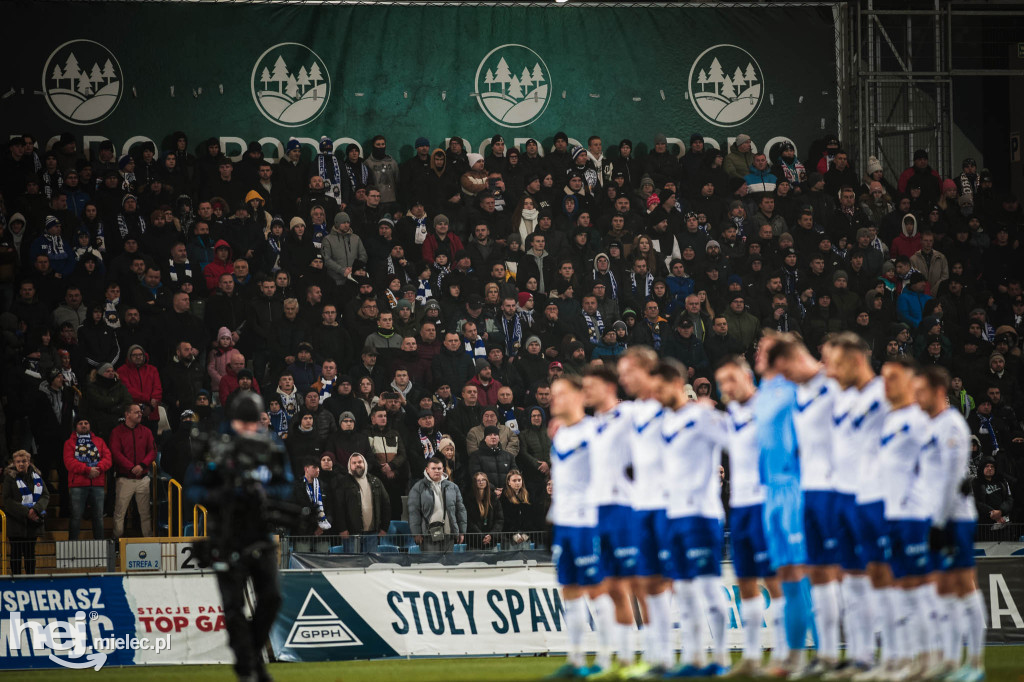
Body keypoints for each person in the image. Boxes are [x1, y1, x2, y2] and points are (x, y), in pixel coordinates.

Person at [186, 393, 292, 682]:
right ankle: (250, 668)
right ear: (232, 421)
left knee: (272, 598)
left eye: (252, 422)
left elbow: (286, 484)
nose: (247, 428)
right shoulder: (218, 447)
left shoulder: (271, 445)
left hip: (260, 532)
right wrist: (218, 495)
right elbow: (192, 490)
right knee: (233, 609)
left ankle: (249, 661)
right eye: (242, 422)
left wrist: (263, 492)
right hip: (226, 534)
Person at [770, 339, 844, 674]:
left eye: (786, 368)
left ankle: (864, 654)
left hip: (834, 491)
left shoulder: (833, 387)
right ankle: (827, 654)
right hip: (805, 493)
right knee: (820, 576)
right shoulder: (800, 395)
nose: (784, 376)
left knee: (849, 575)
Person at [655, 359, 732, 677]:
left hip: (702, 514)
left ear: (675, 384)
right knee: (683, 590)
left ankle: (722, 658)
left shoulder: (701, 415)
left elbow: (734, 442)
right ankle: (694, 657)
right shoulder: (665, 423)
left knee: (709, 587)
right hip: (675, 514)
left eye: (660, 388)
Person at [821, 333, 891, 677]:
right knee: (851, 581)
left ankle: (895, 654)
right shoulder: (844, 401)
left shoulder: (885, 393)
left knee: (883, 578)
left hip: (878, 500)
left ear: (856, 359)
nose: (830, 371)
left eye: (835, 363)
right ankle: (861, 655)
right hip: (845, 499)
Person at [714, 355, 784, 674]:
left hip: (764, 504)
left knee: (773, 579)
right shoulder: (731, 414)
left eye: (732, 380)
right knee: (746, 583)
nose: (726, 387)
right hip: (738, 506)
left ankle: (784, 652)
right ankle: (753, 656)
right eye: (722, 383)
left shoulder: (767, 408)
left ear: (748, 378)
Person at [916, 366, 986, 682]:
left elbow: (953, 479)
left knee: (964, 584)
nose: (917, 396)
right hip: (938, 518)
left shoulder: (952, 425)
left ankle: (975, 663)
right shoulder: (931, 426)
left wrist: (940, 522)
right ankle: (951, 658)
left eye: (922, 391)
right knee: (944, 588)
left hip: (955, 518)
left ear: (938, 391)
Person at [617, 346, 674, 676]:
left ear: (647, 370)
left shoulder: (671, 409)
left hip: (672, 506)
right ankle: (659, 657)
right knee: (648, 583)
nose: (623, 378)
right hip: (642, 507)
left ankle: (705, 656)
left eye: (628, 372)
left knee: (683, 583)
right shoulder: (632, 413)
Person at [581, 364, 639, 675]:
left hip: (623, 508)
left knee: (628, 585)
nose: (585, 392)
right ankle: (606, 657)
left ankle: (632, 657)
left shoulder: (629, 413)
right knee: (602, 585)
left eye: (590, 386)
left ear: (607, 387)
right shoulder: (593, 424)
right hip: (598, 510)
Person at [546, 375, 602, 680]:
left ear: (579, 396)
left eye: (561, 394)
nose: (555, 400)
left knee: (595, 589)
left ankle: (606, 658)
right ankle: (576, 657)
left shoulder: (594, 431)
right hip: (564, 523)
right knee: (569, 589)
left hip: (588, 522)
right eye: (552, 395)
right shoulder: (560, 435)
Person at [109, 403, 157, 538]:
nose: (140, 414)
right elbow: (115, 452)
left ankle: (149, 541)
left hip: (143, 478)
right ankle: (117, 543)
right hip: (124, 479)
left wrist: (142, 465)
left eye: (140, 412)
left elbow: (153, 451)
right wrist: (131, 467)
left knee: (145, 513)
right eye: (136, 412)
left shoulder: (146, 431)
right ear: (127, 414)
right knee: (120, 513)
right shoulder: (117, 432)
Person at [62, 417, 112, 540]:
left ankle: (99, 548)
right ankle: (72, 548)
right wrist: (88, 470)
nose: (84, 425)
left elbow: (108, 459)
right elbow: (69, 462)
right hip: (77, 485)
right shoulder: (69, 443)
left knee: (99, 518)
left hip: (97, 484)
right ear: (76, 426)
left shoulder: (99, 441)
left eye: (86, 423)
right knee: (76, 517)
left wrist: (97, 469)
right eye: (80, 423)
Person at [2, 450, 50, 574]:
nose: (21, 464)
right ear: (14, 463)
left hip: (32, 523)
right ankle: (16, 582)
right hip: (16, 522)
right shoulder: (9, 478)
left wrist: (36, 509)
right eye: (18, 462)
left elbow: (45, 495)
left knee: (30, 555)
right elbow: (6, 500)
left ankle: (31, 581)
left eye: (24, 461)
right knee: (16, 554)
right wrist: (26, 512)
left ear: (29, 462)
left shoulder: (36, 477)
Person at [408, 456, 467, 552]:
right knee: (431, 564)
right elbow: (414, 512)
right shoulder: (418, 487)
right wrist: (416, 533)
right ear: (427, 470)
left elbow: (461, 510)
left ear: (443, 469)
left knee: (448, 564)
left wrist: (461, 532)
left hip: (449, 533)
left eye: (439, 468)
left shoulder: (453, 487)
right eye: (433, 468)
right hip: (428, 534)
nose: (437, 471)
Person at [334, 453, 390, 552]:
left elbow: (386, 505)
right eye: (354, 463)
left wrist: (384, 528)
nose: (357, 465)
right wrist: (342, 529)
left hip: (372, 534)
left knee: (371, 565)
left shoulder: (376, 481)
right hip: (351, 534)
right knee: (353, 565)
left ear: (365, 463)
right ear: (349, 466)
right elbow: (338, 508)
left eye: (360, 462)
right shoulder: (343, 483)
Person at [465, 471, 503, 549]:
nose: (481, 482)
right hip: (474, 542)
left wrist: (491, 535)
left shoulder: (493, 498)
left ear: (487, 482)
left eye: (483, 480)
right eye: (478, 480)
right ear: (474, 483)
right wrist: (481, 536)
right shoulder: (469, 499)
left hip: (492, 542)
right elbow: (469, 521)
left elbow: (499, 519)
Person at [500, 469, 536, 549]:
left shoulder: (528, 496)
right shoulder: (504, 498)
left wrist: (526, 534)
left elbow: (532, 517)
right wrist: (514, 535)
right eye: (514, 480)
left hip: (525, 537)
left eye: (519, 480)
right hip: (509, 537)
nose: (517, 483)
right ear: (509, 482)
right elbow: (504, 519)